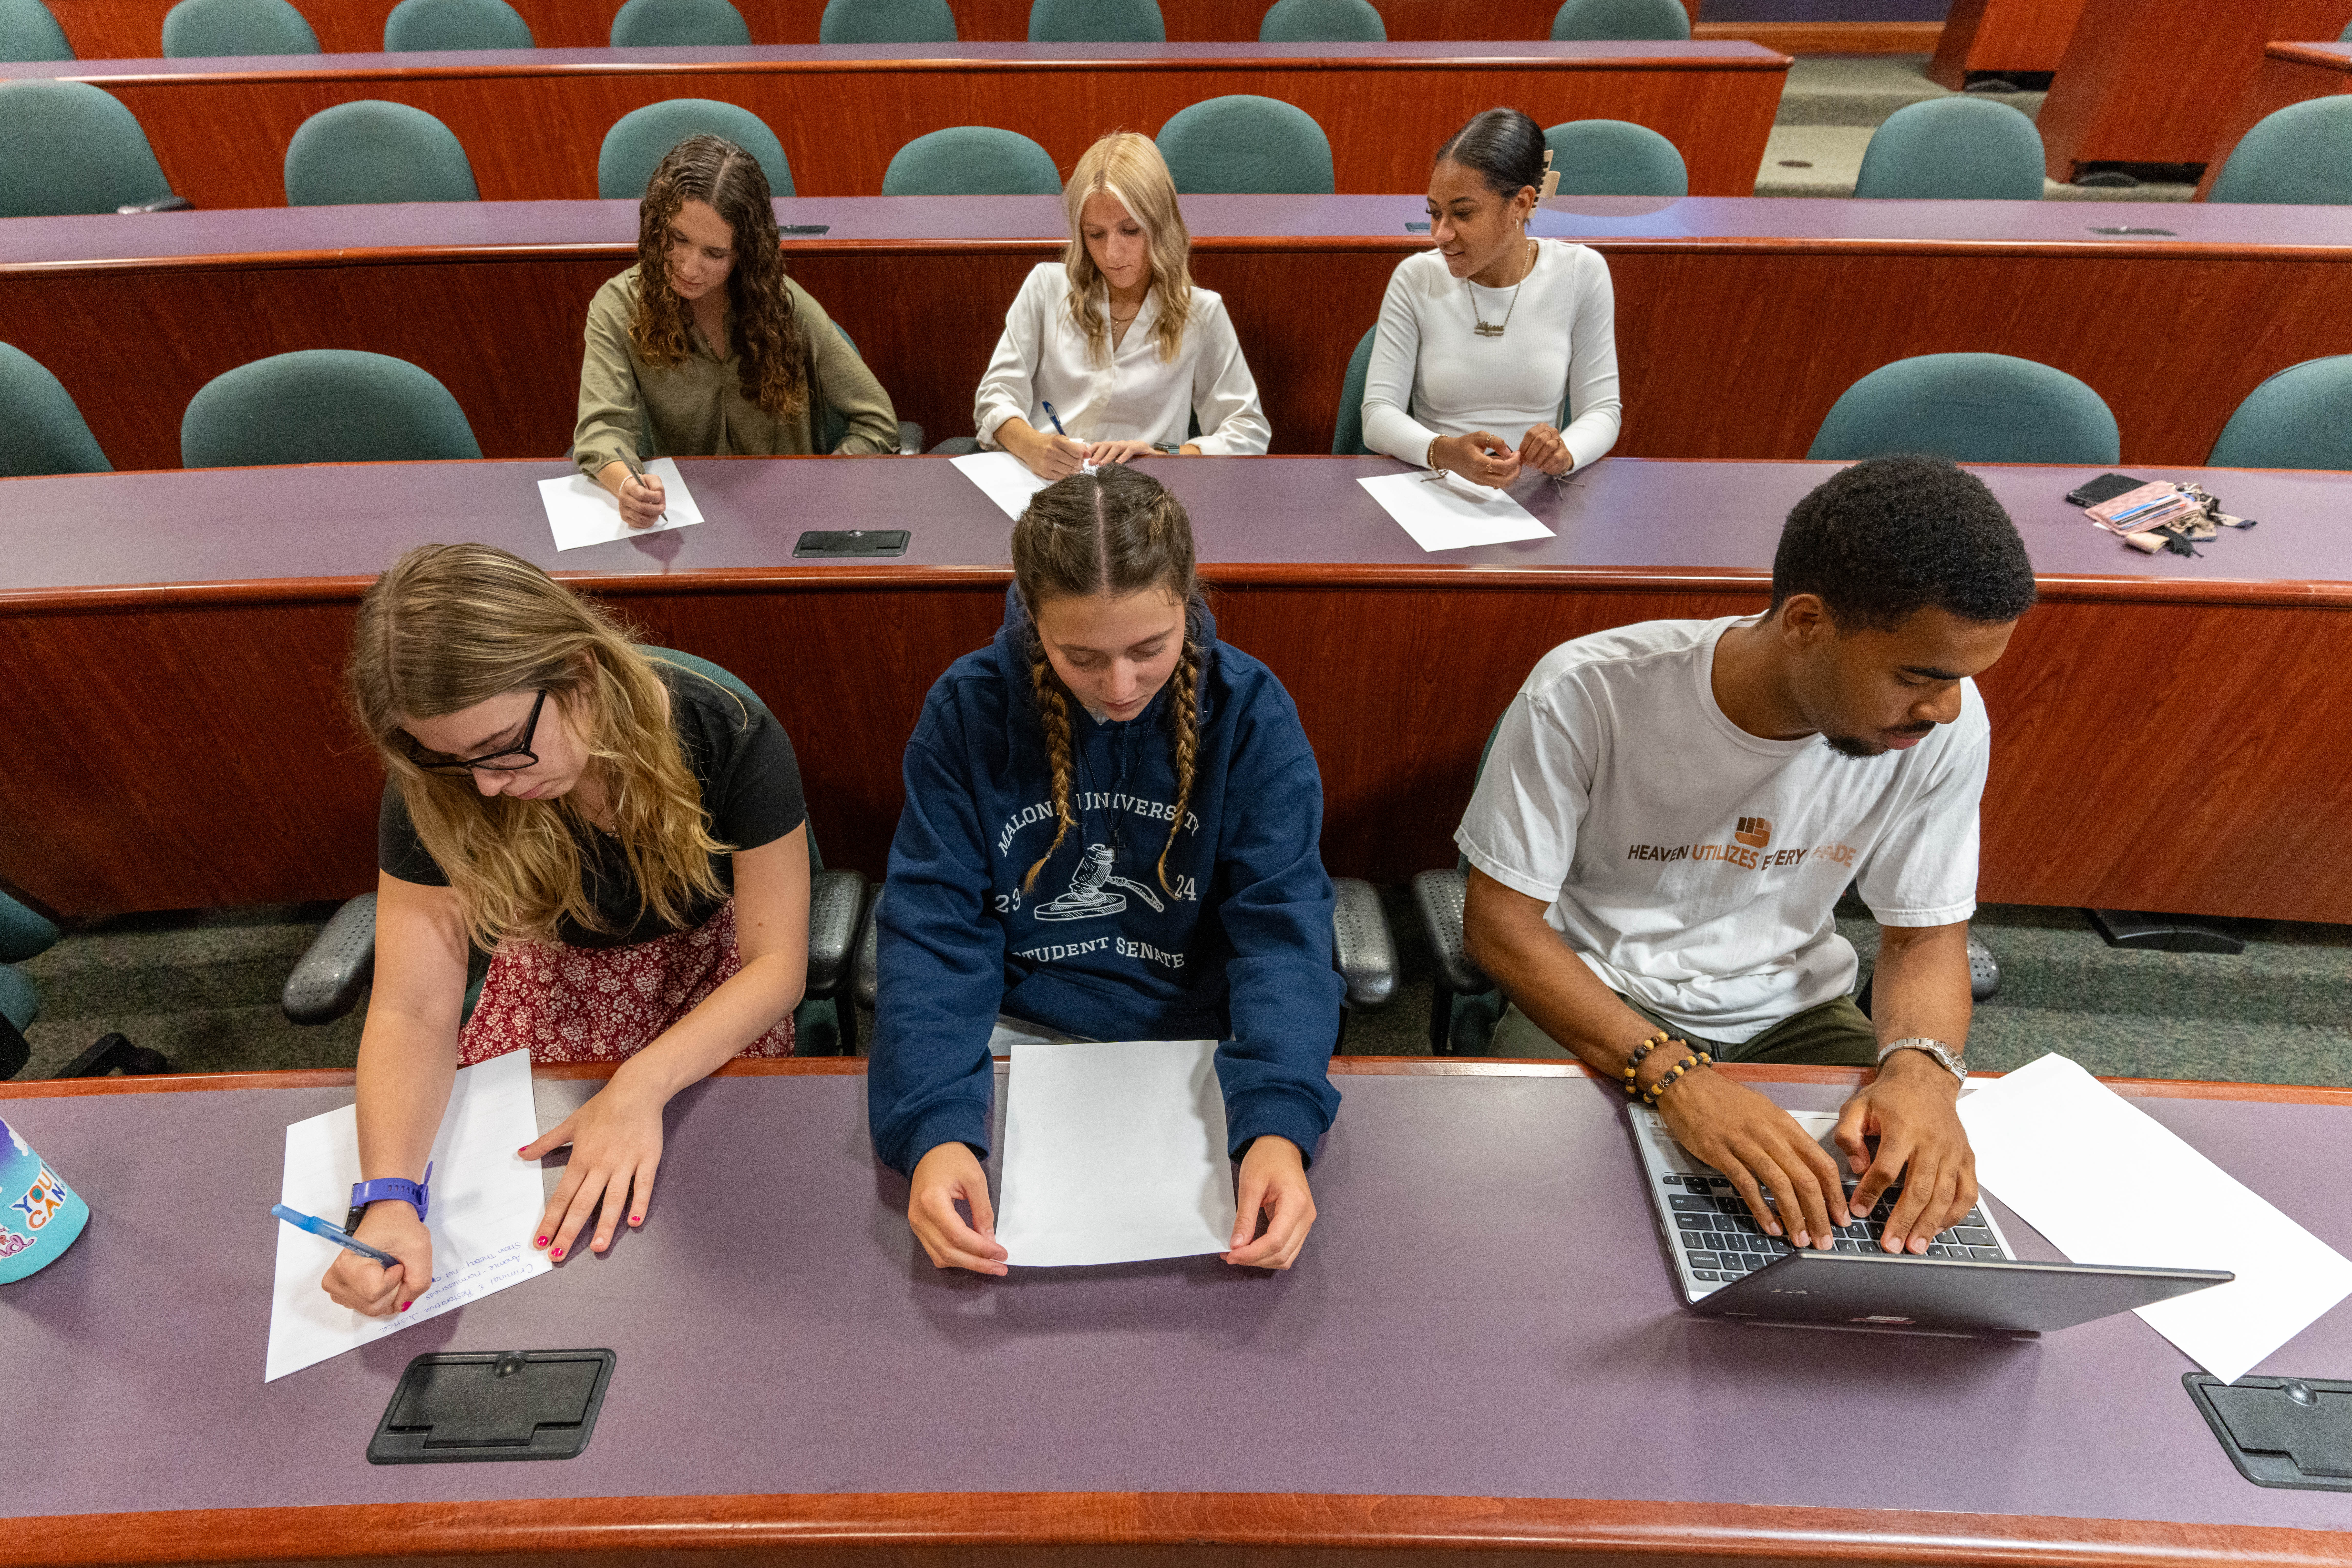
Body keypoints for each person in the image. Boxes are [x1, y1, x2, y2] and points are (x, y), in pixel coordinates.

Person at [1457, 455, 2036, 1258]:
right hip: (1604, 995)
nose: (1942, 709)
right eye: (1917, 676)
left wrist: (1922, 1072)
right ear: (1804, 622)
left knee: (1898, 1233)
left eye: (1964, 680)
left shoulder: (1944, 723)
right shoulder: (1590, 691)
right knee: (1538, 1239)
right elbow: (1498, 928)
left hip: (1794, 1012)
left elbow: (1924, 935)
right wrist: (1676, 1078)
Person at [320, 543, 811, 1318]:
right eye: (455, 762)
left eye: (502, 748)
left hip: (710, 984)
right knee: (536, 1253)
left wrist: (639, 1084)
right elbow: (412, 1009)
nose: (486, 785)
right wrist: (385, 1197)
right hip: (556, 978)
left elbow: (779, 965)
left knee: (702, 1231)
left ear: (579, 672)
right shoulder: (444, 779)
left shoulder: (720, 723)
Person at [869, 465, 1339, 1275]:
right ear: (1032, 625)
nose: (1120, 687)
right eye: (1080, 656)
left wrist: (1276, 1121)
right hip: (1016, 1046)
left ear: (1186, 603)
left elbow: (1283, 931)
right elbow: (935, 936)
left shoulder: (1250, 711)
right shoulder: (968, 711)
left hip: (1200, 1048)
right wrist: (936, 1128)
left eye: (1149, 651)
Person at [574, 134, 901, 528]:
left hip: (788, 521)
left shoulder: (786, 307)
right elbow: (601, 430)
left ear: (745, 252)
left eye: (714, 254)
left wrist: (825, 485)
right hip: (682, 520)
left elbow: (877, 420)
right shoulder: (618, 307)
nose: (690, 268)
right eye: (677, 240)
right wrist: (627, 484)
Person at [973, 131, 1270, 478]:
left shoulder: (1201, 312)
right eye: (1095, 235)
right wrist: (1031, 445)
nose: (1113, 254)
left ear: (1161, 225)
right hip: (1041, 488)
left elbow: (1249, 432)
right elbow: (995, 396)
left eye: (1130, 230)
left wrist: (1167, 454)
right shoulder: (1047, 287)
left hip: (1144, 497)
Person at [1362, 106, 1620, 487]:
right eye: (1434, 213)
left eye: (1463, 215)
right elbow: (1377, 415)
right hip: (1439, 489)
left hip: (1540, 496)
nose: (1441, 234)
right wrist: (1443, 451)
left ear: (1520, 203)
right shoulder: (1416, 278)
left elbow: (1603, 411)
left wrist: (1565, 451)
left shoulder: (1581, 272)